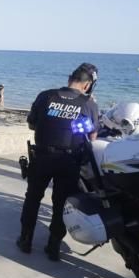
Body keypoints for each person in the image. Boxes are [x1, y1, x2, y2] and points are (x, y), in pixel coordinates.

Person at [18, 63, 100, 261]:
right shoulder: (88, 104)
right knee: (61, 204)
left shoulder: (45, 96)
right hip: (69, 161)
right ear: (87, 85)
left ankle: (26, 240)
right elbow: (93, 136)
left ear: (69, 78)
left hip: (42, 157)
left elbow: (32, 123)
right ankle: (53, 246)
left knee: (33, 198)